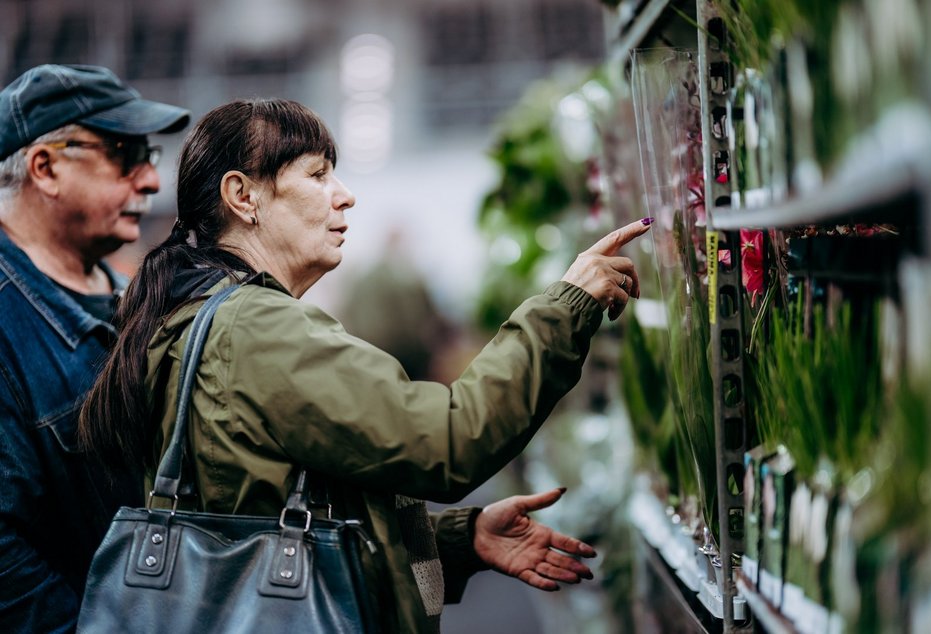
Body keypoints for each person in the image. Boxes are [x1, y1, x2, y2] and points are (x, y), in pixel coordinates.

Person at [79, 98, 650, 633]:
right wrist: (567, 304)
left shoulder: (193, 317)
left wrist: (460, 540)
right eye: (318, 173)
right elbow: (449, 441)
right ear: (243, 196)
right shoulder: (256, 331)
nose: (345, 195)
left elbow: (271, 516)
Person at [0, 64, 189, 632]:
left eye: (149, 156)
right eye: (123, 153)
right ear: (47, 167)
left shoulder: (130, 301)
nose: (151, 181)